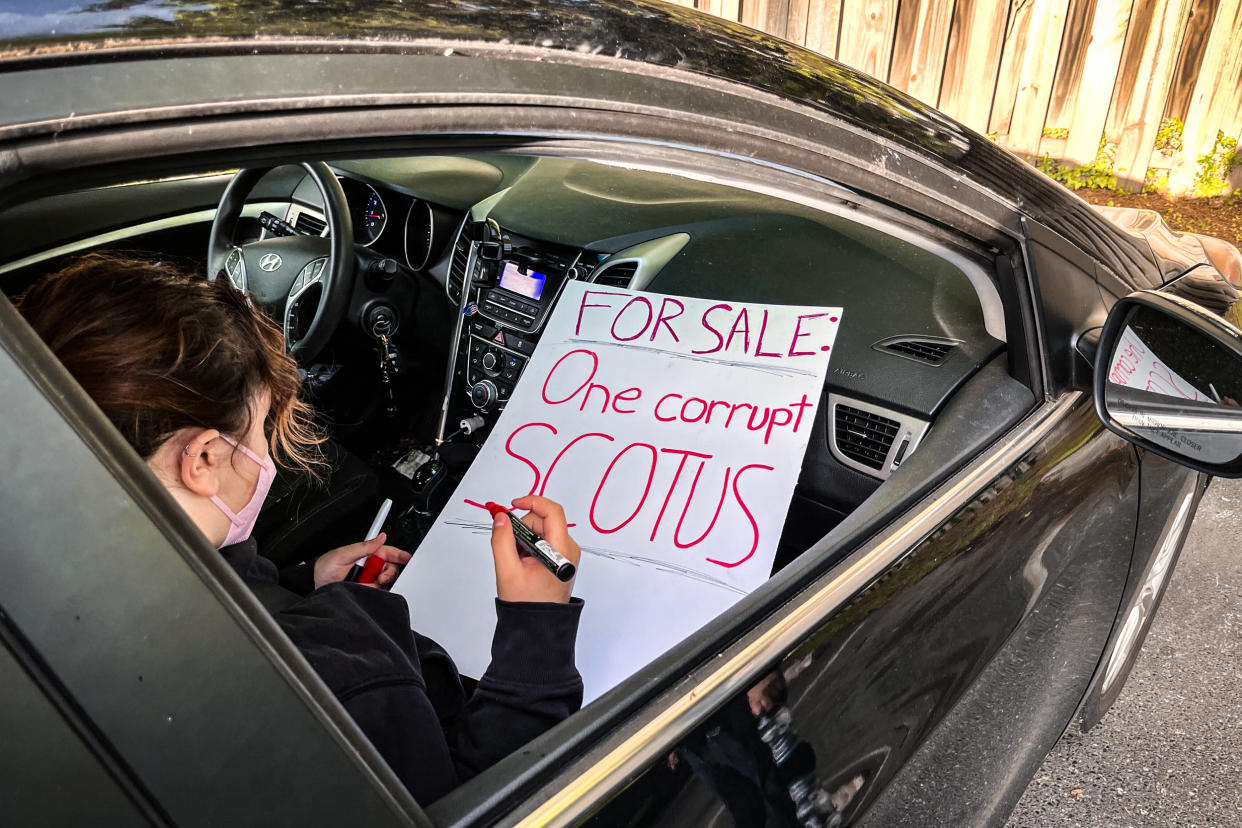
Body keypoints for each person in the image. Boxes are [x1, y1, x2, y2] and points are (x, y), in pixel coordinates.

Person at [17, 251, 585, 804]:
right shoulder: (339, 672)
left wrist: (295, 587)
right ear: (204, 460)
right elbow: (489, 801)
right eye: (263, 423)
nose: (267, 443)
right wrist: (538, 631)